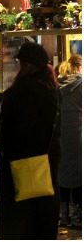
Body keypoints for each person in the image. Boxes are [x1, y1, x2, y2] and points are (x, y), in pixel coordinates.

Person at [0, 42, 62, 239]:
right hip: (47, 160)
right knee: (43, 216)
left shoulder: (23, 90)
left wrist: (5, 153)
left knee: (19, 219)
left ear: (25, 64)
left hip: (21, 164)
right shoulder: (52, 88)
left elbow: (16, 130)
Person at [59, 54, 82, 229]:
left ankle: (63, 215)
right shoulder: (82, 84)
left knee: (63, 172)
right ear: (79, 67)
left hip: (61, 133)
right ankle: (78, 217)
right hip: (79, 132)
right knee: (79, 173)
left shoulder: (59, 85)